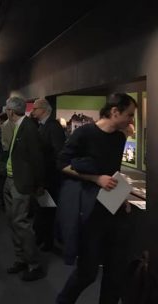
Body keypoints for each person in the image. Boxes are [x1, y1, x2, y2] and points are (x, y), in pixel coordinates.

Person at [56, 93, 137, 304]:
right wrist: (95, 178)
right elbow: (62, 164)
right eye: (129, 114)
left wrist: (121, 195)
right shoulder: (84, 133)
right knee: (87, 272)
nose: (131, 120)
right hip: (91, 211)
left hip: (113, 208)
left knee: (115, 272)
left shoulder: (119, 138)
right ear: (115, 111)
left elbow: (114, 172)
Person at [4, 96, 45, 281]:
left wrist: (39, 184)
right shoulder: (20, 125)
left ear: (11, 111)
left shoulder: (28, 128)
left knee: (20, 223)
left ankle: (34, 264)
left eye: (7, 109)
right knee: (14, 222)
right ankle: (21, 259)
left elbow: (37, 159)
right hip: (11, 180)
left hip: (21, 183)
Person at [31, 98, 66, 251]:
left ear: (44, 110)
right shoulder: (43, 126)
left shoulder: (53, 127)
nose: (33, 111)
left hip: (50, 176)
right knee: (43, 208)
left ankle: (47, 241)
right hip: (44, 175)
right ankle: (42, 237)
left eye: (35, 108)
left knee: (48, 210)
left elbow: (58, 152)